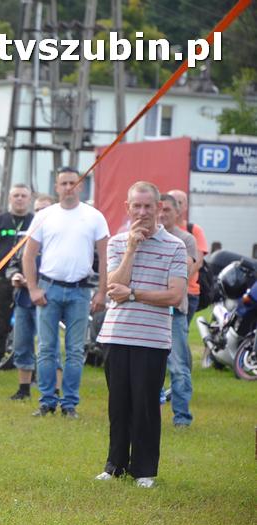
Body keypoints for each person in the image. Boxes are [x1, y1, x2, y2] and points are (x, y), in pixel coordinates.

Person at [95, 182, 187, 487]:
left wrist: (133, 294)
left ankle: (144, 470)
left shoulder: (175, 246)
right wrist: (132, 249)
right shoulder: (118, 243)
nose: (143, 212)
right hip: (117, 335)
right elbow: (113, 287)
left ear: (159, 208)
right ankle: (114, 466)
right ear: (128, 207)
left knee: (146, 406)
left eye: (148, 206)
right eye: (137, 206)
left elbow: (174, 295)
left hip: (152, 339)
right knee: (118, 405)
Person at [23, 167, 109, 418]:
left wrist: (102, 292)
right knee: (46, 349)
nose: (69, 187)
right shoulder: (44, 216)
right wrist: (33, 288)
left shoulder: (94, 217)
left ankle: (70, 403)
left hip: (80, 290)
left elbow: (105, 257)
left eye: (73, 182)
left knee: (75, 350)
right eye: (64, 183)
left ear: (80, 186)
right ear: (57, 187)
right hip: (48, 288)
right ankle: (47, 401)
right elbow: (28, 255)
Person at [0, 183, 33, 385]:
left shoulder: (35, 221)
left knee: (30, 327)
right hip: (3, 281)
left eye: (23, 195)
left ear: (29, 199)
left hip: (29, 282)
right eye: (16, 195)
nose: (19, 199)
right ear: (10, 198)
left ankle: (32, 375)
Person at [7, 194, 53, 400]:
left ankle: (52, 391)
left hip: (47, 299)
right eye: (38, 210)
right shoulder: (26, 238)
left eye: (45, 209)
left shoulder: (57, 239)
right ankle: (23, 389)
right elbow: (12, 263)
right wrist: (15, 275)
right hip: (24, 299)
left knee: (48, 345)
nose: (41, 213)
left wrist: (34, 283)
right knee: (21, 343)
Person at [159, 194, 199, 428]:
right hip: (150, 311)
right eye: (160, 209)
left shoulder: (186, 240)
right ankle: (148, 413)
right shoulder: (146, 237)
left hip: (175, 312)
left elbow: (182, 272)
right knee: (150, 367)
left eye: (167, 210)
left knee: (178, 366)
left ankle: (182, 417)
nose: (162, 214)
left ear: (177, 213)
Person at [168, 190, 208, 323]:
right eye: (173, 202)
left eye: (180, 202)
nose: (177, 206)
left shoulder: (193, 230)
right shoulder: (160, 230)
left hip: (188, 292)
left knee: (179, 330)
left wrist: (179, 283)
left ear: (186, 206)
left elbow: (198, 262)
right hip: (164, 292)